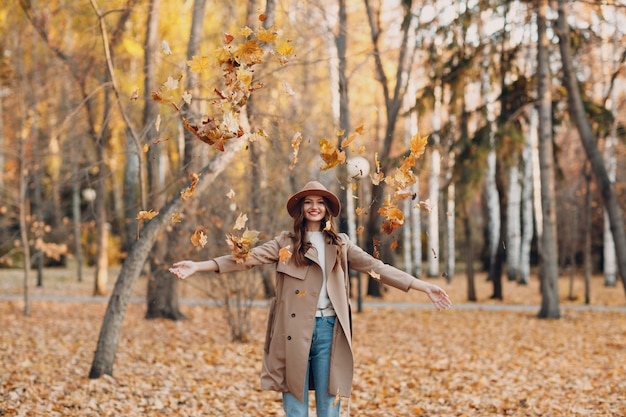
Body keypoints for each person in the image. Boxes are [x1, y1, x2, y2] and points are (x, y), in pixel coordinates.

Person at [169, 180, 451, 417]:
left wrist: (422, 286)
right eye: (308, 202)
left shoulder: (340, 243)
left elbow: (377, 268)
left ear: (327, 209)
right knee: (295, 405)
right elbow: (246, 259)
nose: (314, 206)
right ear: (301, 209)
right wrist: (199, 265)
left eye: (320, 201)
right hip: (292, 330)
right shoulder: (285, 243)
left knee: (330, 406)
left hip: (330, 331)